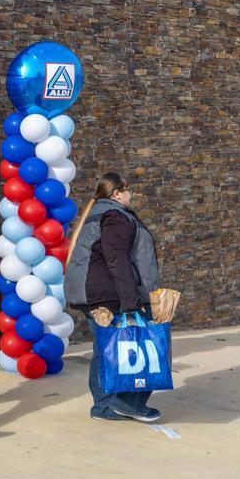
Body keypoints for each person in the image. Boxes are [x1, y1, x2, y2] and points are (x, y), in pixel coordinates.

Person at [65, 171, 162, 422]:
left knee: (105, 348)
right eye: (128, 190)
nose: (131, 194)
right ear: (117, 193)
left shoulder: (99, 212)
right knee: (137, 344)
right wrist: (131, 301)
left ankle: (104, 407)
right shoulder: (115, 216)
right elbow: (116, 259)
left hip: (93, 292)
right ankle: (124, 403)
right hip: (106, 294)